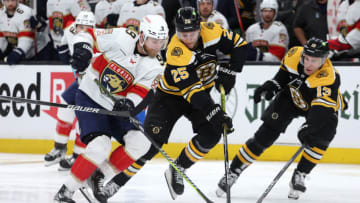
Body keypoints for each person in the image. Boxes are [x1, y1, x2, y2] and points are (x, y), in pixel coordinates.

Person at [94, 7, 247, 201]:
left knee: (212, 134)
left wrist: (231, 71)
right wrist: (214, 112)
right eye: (183, 34)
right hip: (169, 98)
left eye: (192, 33)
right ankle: (115, 183)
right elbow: (193, 93)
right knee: (149, 145)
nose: (188, 38)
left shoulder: (212, 30)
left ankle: (178, 168)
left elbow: (240, 46)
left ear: (200, 28)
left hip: (200, 93)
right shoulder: (176, 52)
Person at [53, 14, 169, 203]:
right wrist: (83, 49)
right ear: (142, 36)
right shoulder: (123, 36)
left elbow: (141, 92)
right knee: (100, 146)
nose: (158, 46)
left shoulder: (155, 66)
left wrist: (129, 103)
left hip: (116, 107)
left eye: (161, 42)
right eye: (154, 41)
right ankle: (65, 192)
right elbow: (89, 35)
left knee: (141, 143)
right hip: (90, 96)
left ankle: (98, 175)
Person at [215, 37, 347, 200]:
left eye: (314, 60)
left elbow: (321, 110)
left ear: (324, 59)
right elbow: (281, 78)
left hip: (320, 107)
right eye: (306, 58)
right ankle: (233, 171)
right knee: (265, 135)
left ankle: (301, 173)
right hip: (292, 98)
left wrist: (310, 127)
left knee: (322, 135)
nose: (308, 64)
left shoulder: (329, 77)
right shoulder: (293, 55)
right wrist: (270, 86)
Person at [43, 11, 96, 171]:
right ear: (76, 25)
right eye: (80, 26)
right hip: (81, 82)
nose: (83, 30)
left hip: (94, 85)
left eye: (87, 27)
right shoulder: (70, 30)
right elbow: (63, 47)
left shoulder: (99, 40)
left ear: (93, 28)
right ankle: (59, 148)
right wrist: (66, 56)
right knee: (65, 108)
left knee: (83, 119)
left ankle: (78, 156)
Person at [0, 0, 49, 64]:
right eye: (7, 0)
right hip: (20, 49)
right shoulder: (1, 13)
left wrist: (18, 52)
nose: (10, 3)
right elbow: (2, 37)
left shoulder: (25, 12)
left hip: (39, 50)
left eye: (12, 0)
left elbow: (26, 39)